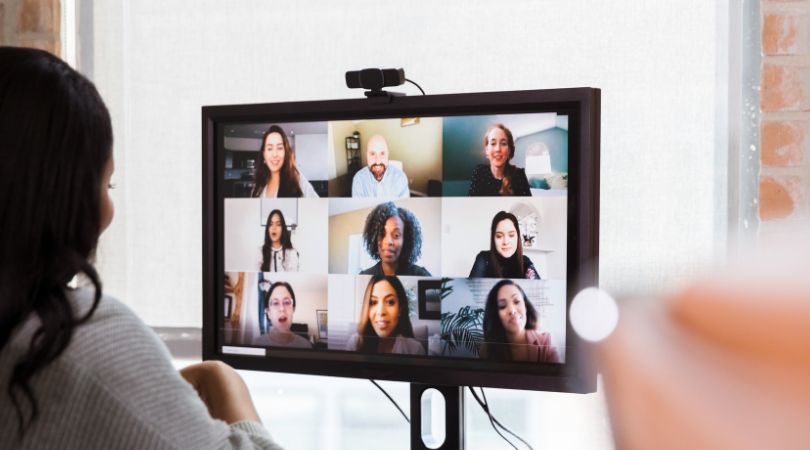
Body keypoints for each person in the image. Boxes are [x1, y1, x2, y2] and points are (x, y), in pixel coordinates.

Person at [0, 47, 281, 449]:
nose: (109, 210)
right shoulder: (72, 340)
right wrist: (225, 384)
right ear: (64, 195)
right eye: (106, 184)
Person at [480, 280, 560, 363]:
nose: (512, 310)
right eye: (502, 306)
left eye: (517, 301)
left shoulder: (546, 344)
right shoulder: (487, 349)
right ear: (495, 314)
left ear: (525, 306)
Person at [345, 275, 425, 355]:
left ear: (400, 308)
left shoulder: (415, 349)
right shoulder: (355, 343)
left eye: (390, 302)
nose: (381, 312)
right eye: (373, 302)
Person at [359, 202, 431, 276]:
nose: (388, 241)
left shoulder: (422, 275)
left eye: (396, 235)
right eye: (382, 234)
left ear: (405, 240)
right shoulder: (364, 276)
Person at [251, 125, 318, 198]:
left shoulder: (297, 180)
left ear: (285, 153)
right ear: (264, 154)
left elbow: (319, 206)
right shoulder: (258, 186)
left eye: (279, 148)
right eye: (270, 148)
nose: (275, 154)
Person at [469, 211, 541, 279]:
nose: (506, 242)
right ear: (493, 238)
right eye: (499, 236)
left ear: (518, 237)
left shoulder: (525, 261)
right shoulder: (484, 259)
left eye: (511, 235)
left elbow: (538, 287)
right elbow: (469, 289)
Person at [467, 123, 531, 196]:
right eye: (493, 143)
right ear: (487, 150)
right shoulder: (479, 171)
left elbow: (526, 206)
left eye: (503, 143)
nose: (498, 149)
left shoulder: (519, 175)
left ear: (509, 150)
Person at [252, 282, 311, 349]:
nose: (282, 309)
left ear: (293, 309)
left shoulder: (306, 345)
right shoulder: (256, 344)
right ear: (268, 313)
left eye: (286, 302)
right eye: (275, 303)